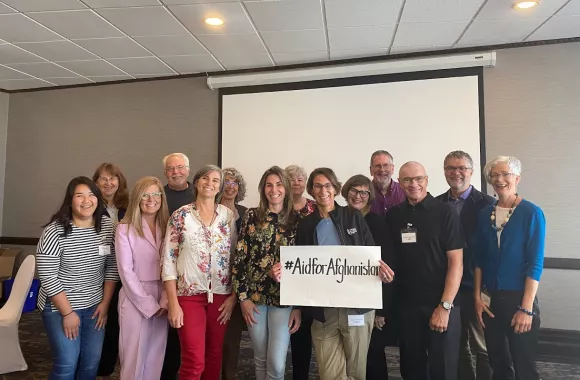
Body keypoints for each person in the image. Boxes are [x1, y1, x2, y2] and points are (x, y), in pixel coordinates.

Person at [296, 167, 394, 380]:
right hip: (324, 311)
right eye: (318, 186)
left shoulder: (353, 216)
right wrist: (286, 272)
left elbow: (370, 255)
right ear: (311, 190)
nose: (323, 191)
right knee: (328, 373)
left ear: (336, 188)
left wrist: (381, 271)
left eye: (328, 185)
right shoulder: (305, 225)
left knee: (356, 372)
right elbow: (301, 268)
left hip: (356, 308)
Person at [385, 161, 464, 380]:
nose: (413, 184)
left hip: (441, 304)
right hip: (407, 307)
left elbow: (456, 263)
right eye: (407, 180)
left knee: (443, 369)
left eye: (418, 179)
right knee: (411, 368)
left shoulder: (445, 212)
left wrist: (445, 306)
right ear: (399, 183)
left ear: (427, 180)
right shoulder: (393, 216)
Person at [36, 176, 118, 379]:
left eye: (91, 195)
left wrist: (105, 304)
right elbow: (47, 275)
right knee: (67, 363)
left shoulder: (106, 227)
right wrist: (67, 313)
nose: (86, 200)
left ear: (98, 199)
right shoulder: (55, 231)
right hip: (59, 306)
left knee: (91, 362)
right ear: (70, 200)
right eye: (79, 195)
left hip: (94, 306)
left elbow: (112, 267)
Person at [162, 165, 237, 380]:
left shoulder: (227, 216)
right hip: (188, 296)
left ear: (220, 187)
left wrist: (233, 297)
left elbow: (235, 258)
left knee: (214, 355)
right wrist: (173, 303)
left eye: (215, 180)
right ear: (196, 182)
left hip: (221, 296)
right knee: (194, 360)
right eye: (205, 178)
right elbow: (168, 261)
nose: (210, 183)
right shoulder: (180, 216)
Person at [474, 156, 545, 380]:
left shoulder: (531, 213)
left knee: (524, 366)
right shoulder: (485, 213)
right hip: (490, 300)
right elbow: (479, 259)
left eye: (505, 174)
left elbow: (536, 263)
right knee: (498, 363)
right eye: (494, 175)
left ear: (517, 178)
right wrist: (477, 297)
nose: (499, 179)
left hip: (519, 298)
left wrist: (526, 308)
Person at [232, 166, 302, 380]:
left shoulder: (298, 220)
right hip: (255, 299)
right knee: (260, 357)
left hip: (284, 299)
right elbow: (240, 258)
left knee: (277, 363)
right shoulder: (252, 215)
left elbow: (306, 266)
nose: (274, 190)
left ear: (287, 188)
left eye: (279, 184)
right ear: (263, 189)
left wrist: (298, 306)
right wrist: (243, 299)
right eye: (269, 185)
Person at [436, 151, 494, 380]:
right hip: (449, 287)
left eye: (461, 168)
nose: (456, 172)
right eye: (450, 168)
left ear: (471, 172)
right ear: (444, 172)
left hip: (479, 286)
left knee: (484, 347)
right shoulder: (436, 204)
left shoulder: (488, 205)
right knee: (456, 347)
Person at [342, 174, 396, 380]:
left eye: (364, 192)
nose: (358, 196)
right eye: (354, 191)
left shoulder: (378, 223)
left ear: (370, 196)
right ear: (347, 192)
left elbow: (388, 266)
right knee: (348, 354)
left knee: (373, 354)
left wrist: (381, 311)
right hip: (344, 300)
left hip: (372, 302)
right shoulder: (337, 219)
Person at [116, 177, 170, 380]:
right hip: (135, 297)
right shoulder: (125, 228)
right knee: (133, 358)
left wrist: (166, 299)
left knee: (155, 356)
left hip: (163, 294)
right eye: (145, 194)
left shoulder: (168, 226)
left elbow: (173, 266)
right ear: (137, 198)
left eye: (156, 194)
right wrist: (149, 304)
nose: (151, 199)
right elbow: (126, 272)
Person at [92, 162, 129, 377]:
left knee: (116, 319)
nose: (108, 183)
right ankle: (93, 361)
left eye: (112, 178)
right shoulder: (90, 205)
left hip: (124, 271)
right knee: (97, 316)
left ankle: (107, 364)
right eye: (103, 179)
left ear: (119, 181)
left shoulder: (129, 206)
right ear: (95, 183)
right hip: (97, 270)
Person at [161, 152, 194, 379]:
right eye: (171, 169)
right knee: (169, 332)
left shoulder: (200, 194)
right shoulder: (158, 196)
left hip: (192, 274)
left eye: (180, 167)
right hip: (166, 269)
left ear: (188, 170)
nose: (176, 172)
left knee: (190, 334)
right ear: (166, 173)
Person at [285, 164, 316, 379]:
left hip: (309, 277)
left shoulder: (316, 207)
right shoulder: (277, 206)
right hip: (281, 277)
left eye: (300, 179)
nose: (296, 182)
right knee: (280, 334)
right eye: (291, 179)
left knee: (303, 333)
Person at [219, 167, 248, 380]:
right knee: (211, 338)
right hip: (214, 281)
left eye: (234, 183)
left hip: (239, 283)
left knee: (232, 338)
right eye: (226, 181)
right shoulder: (209, 210)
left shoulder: (247, 213)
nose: (230, 186)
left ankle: (229, 375)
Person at [369, 150, 406, 217]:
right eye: (377, 166)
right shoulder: (363, 193)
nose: (382, 170)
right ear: (371, 170)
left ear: (392, 169)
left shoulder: (405, 190)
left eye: (386, 165)